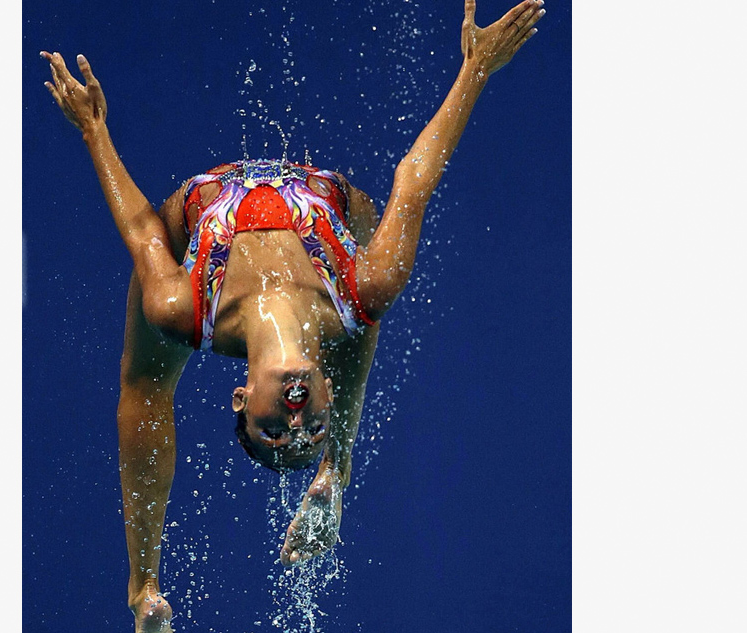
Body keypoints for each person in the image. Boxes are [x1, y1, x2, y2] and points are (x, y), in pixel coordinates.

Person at [41, 0, 543, 630]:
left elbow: (142, 230)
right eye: (309, 434)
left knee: (144, 387)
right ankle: (340, 464)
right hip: (334, 247)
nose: (295, 423)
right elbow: (414, 178)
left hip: (198, 226)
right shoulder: (365, 285)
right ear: (322, 391)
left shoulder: (184, 306)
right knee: (365, 305)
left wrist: (93, 130)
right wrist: (475, 70)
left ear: (240, 398)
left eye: (273, 433)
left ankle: (142, 584)